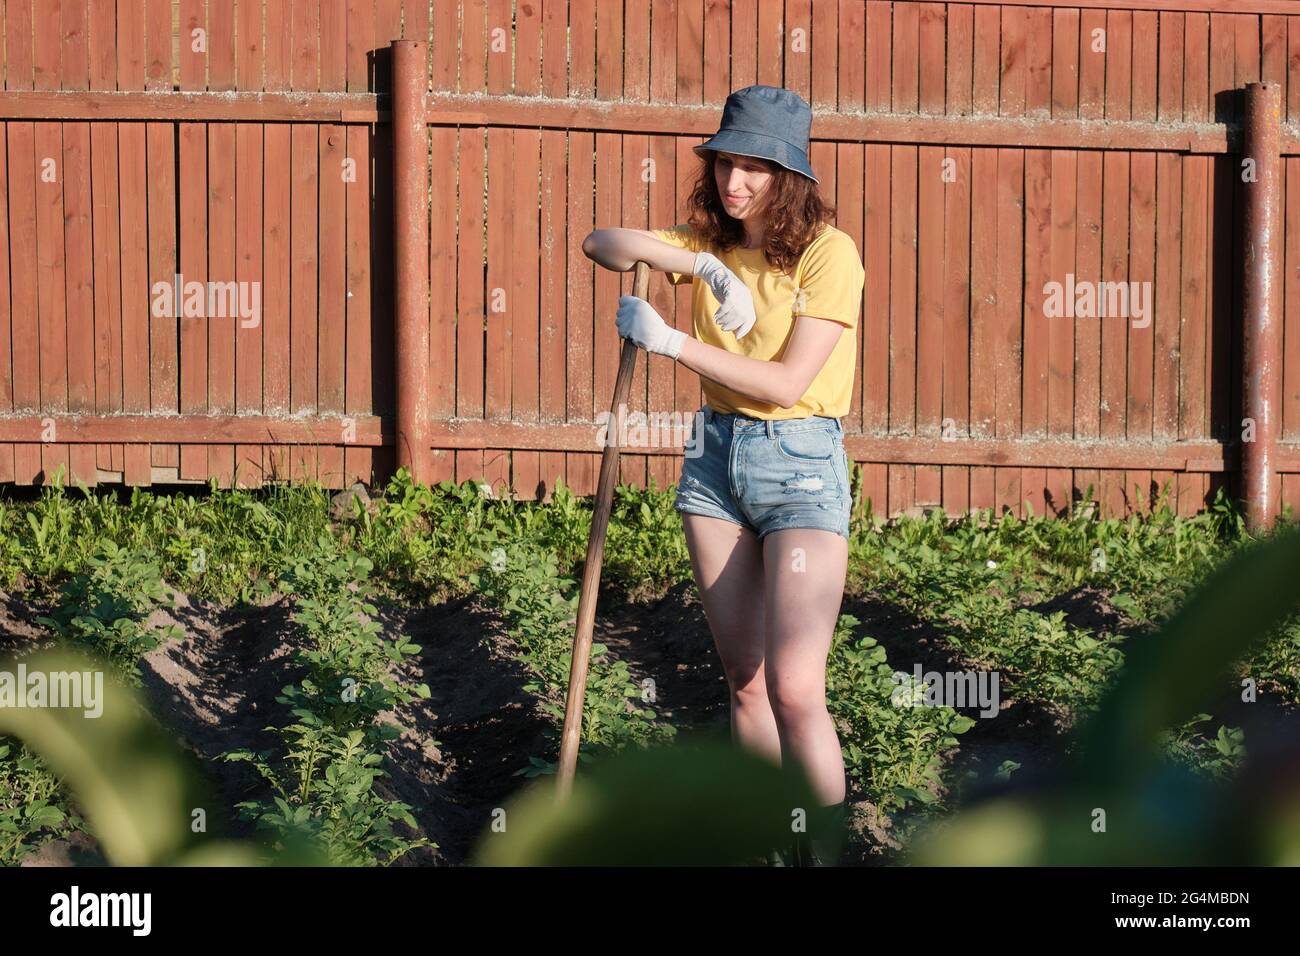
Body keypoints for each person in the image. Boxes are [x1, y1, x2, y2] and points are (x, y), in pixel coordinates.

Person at [581, 85, 865, 866]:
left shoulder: (829, 254)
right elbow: (601, 242)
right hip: (714, 463)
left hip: (800, 464)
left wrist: (671, 343)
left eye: (754, 167)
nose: (734, 182)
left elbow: (782, 383)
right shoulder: (711, 243)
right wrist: (704, 273)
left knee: (796, 688)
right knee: (745, 679)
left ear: (789, 176)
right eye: (725, 163)